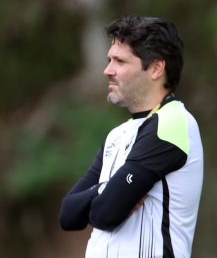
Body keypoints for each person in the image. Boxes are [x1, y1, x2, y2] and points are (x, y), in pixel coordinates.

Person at [59, 16, 203, 258]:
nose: (107, 70)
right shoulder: (118, 134)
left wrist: (101, 199)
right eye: (109, 60)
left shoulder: (173, 122)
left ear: (156, 68)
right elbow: (68, 215)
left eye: (120, 61)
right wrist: (105, 189)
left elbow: (105, 214)